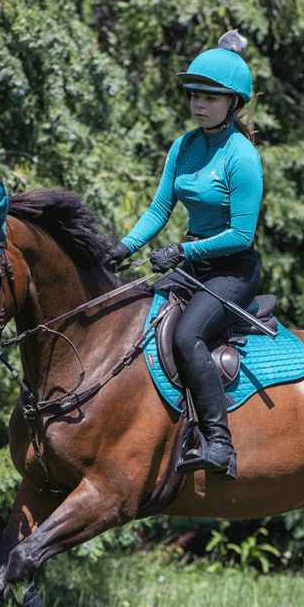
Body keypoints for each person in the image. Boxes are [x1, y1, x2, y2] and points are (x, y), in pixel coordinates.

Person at [107, 30, 263, 480]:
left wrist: (182, 248)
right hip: (194, 264)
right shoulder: (185, 146)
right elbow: (159, 209)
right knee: (137, 318)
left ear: (233, 103)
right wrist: (122, 249)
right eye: (195, 94)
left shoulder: (242, 157)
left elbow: (241, 234)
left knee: (187, 335)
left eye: (211, 98)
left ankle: (220, 444)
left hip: (232, 271)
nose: (199, 104)